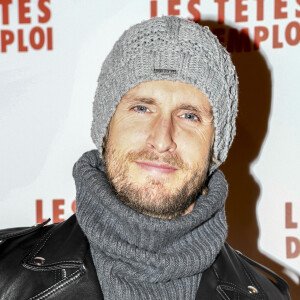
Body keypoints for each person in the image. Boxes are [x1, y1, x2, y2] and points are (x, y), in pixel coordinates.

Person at [0, 16, 290, 300]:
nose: (162, 140)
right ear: (105, 127)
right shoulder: (4, 274)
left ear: (216, 145)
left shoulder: (268, 296)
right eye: (142, 108)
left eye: (189, 116)